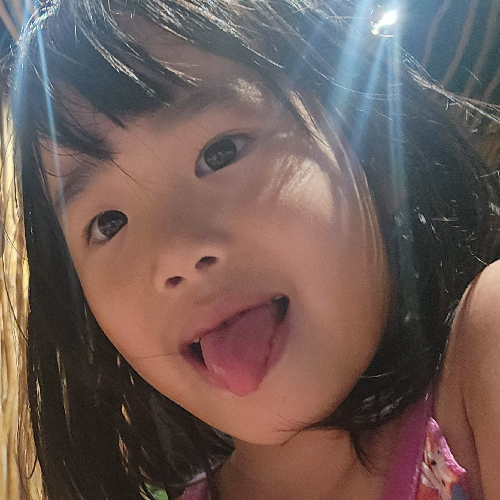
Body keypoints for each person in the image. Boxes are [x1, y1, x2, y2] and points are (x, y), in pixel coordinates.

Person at [6, 0, 500, 499]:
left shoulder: (482, 356)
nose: (175, 253)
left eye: (221, 153)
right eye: (108, 223)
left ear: (371, 150)